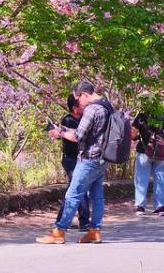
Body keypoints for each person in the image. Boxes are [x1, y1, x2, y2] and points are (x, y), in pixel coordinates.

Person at [37, 80, 111, 245]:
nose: (78, 102)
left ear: (84, 94)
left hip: (88, 159)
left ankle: (59, 231)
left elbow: (78, 137)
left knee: (72, 195)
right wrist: (65, 130)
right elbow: (88, 132)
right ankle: (95, 231)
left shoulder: (92, 109)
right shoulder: (106, 105)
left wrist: (60, 132)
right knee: (97, 196)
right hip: (102, 158)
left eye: (78, 98)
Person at [52, 95, 91, 231]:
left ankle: (61, 220)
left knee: (74, 190)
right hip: (71, 160)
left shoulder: (82, 119)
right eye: (82, 105)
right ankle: (85, 222)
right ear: (75, 108)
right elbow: (71, 136)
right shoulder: (68, 120)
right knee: (80, 189)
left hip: (81, 159)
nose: (85, 107)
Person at [132, 110, 164, 216]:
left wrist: (140, 134)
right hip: (160, 152)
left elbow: (133, 135)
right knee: (160, 180)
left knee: (141, 179)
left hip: (144, 151)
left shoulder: (141, 116)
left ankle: (140, 206)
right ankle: (160, 206)